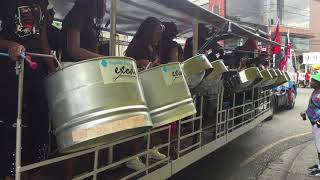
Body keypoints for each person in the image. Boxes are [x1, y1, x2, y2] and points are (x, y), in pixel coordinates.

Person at [0, 0, 55, 180]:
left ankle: (35, 173)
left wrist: (54, 69)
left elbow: (42, 37)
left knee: (39, 123)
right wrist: (10, 46)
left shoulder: (42, 3)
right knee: (10, 125)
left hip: (35, 68)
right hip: (10, 70)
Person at [125, 17, 166, 170]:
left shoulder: (151, 46)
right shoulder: (138, 43)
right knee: (138, 122)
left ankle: (150, 149)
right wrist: (139, 63)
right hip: (136, 88)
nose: (159, 35)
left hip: (147, 86)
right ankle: (132, 157)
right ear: (149, 31)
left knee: (153, 119)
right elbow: (128, 62)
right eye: (157, 32)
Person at [301, 73, 320, 176]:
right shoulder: (316, 92)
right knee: (318, 146)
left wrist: (318, 123)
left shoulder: (319, 95)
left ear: (318, 83)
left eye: (313, 80)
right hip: (316, 124)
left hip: (319, 125)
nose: (310, 81)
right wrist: (306, 111)